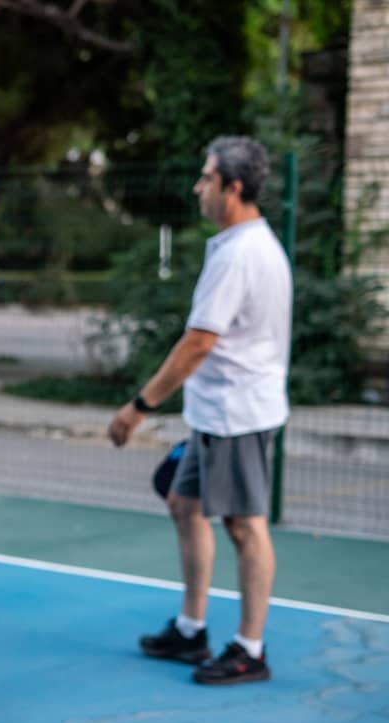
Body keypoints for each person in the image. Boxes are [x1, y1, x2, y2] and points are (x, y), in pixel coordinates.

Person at [108, 136, 293, 686]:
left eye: (207, 178)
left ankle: (250, 649)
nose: (199, 186)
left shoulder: (241, 252)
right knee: (184, 504)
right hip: (216, 413)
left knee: (244, 526)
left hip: (238, 414)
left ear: (233, 188)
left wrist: (138, 408)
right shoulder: (242, 243)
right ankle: (192, 629)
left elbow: (198, 343)